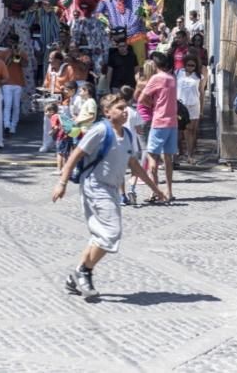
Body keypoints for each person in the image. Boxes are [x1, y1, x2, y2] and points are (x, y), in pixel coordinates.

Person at [52, 94, 166, 300]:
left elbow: (134, 166)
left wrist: (155, 189)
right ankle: (84, 272)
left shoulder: (129, 135)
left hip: (111, 189)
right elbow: (75, 155)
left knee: (100, 235)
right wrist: (62, 183)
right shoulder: (100, 130)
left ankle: (74, 277)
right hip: (95, 186)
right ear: (107, 112)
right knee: (111, 233)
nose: (125, 111)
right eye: (120, 107)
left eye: (127, 107)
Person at [138, 52, 177, 203]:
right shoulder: (172, 78)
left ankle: (155, 192)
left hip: (159, 121)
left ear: (154, 65)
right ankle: (169, 191)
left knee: (152, 155)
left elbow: (141, 98)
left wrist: (153, 106)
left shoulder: (156, 78)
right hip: (172, 122)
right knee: (168, 158)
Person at [176, 54, 204, 163]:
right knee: (179, 130)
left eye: (193, 65)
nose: (190, 67)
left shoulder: (199, 76)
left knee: (190, 131)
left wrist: (201, 110)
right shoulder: (178, 73)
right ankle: (180, 152)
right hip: (180, 105)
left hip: (193, 105)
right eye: (188, 65)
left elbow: (201, 93)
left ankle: (190, 155)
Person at [119, 85, 144, 205]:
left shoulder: (118, 112)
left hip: (120, 145)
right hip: (132, 146)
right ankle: (132, 189)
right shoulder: (134, 113)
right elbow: (139, 131)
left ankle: (122, 196)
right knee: (135, 171)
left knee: (121, 172)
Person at [0, 34, 27, 136]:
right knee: (8, 104)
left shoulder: (21, 52)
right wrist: (10, 54)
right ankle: (6, 125)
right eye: (10, 41)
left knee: (16, 106)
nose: (11, 44)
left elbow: (24, 64)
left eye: (13, 42)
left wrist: (17, 54)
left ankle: (13, 126)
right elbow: (4, 65)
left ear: (17, 42)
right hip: (6, 82)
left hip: (18, 82)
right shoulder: (4, 52)